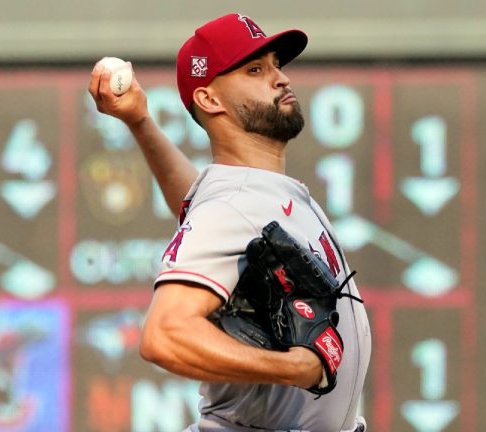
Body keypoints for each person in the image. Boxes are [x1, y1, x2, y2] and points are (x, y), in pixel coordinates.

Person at [88, 13, 371, 432]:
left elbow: (200, 201)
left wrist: (140, 122)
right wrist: (293, 367)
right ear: (209, 100)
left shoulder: (243, 195)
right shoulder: (235, 205)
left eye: (276, 64)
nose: (280, 79)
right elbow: (164, 334)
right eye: (255, 69)